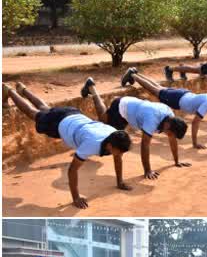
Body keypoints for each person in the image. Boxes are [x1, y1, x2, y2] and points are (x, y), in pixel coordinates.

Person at [2, 82, 132, 209]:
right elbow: (72, 170)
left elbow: (118, 157)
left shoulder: (114, 135)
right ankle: (10, 91)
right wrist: (76, 198)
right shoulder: (92, 144)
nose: (120, 155)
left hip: (73, 114)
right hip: (60, 124)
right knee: (33, 113)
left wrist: (119, 182)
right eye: (119, 151)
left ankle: (22, 89)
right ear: (110, 146)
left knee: (44, 108)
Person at [81, 79, 189, 180]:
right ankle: (92, 88)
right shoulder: (152, 119)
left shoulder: (170, 117)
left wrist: (176, 161)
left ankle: (91, 88)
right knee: (104, 120)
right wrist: (148, 170)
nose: (169, 135)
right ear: (168, 126)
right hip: (121, 108)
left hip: (132, 106)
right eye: (170, 133)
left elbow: (172, 139)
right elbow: (145, 145)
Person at [120, 68, 207, 149]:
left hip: (184, 94)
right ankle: (133, 75)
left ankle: (136, 73)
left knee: (159, 88)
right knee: (155, 90)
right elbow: (195, 123)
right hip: (178, 100)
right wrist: (195, 143)